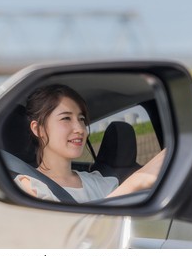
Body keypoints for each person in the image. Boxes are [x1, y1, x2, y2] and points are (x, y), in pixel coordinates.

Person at [14, 84, 164, 203]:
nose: (80, 129)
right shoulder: (28, 187)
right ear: (38, 129)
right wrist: (137, 181)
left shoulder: (100, 182)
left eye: (81, 119)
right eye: (66, 118)